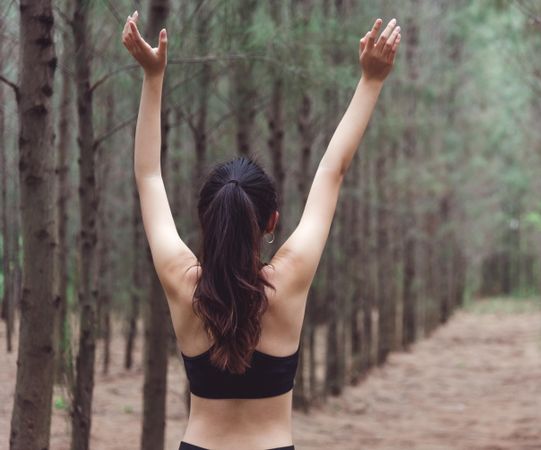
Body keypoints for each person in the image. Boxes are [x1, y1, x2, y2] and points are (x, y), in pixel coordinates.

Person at [122, 10, 401, 450]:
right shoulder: (288, 281)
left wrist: (153, 77)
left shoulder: (182, 282)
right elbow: (332, 170)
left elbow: (148, 176)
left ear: (205, 219)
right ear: (271, 222)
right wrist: (371, 80)